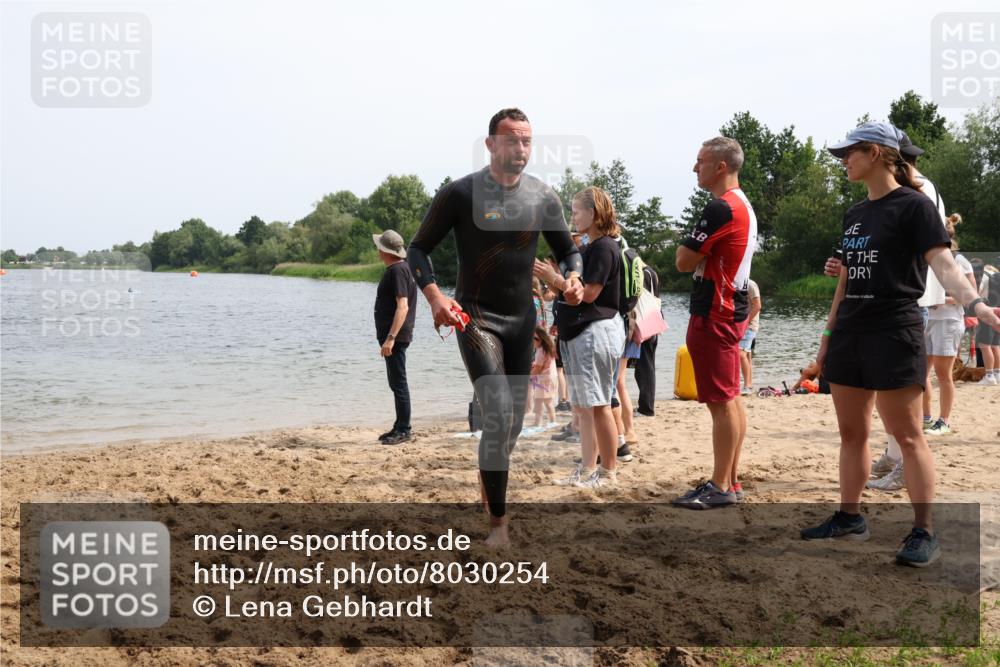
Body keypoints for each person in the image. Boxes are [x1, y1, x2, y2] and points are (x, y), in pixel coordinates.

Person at [800, 121, 1000, 567]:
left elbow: (944, 265)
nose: (843, 161)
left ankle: (924, 530)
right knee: (852, 434)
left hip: (895, 329)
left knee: (908, 437)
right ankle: (849, 517)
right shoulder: (854, 213)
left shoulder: (915, 206)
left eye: (848, 153)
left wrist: (977, 304)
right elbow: (847, 279)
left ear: (875, 152)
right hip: (852, 329)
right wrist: (827, 337)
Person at [407, 108, 584, 548]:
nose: (520, 149)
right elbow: (417, 249)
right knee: (499, 412)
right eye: (511, 140)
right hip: (475, 317)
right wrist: (434, 297)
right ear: (490, 144)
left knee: (515, 425)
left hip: (523, 319)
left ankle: (491, 472)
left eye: (526, 141)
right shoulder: (460, 194)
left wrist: (574, 278)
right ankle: (499, 528)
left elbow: (568, 251)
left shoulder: (544, 197)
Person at [672, 136, 757, 509]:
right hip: (731, 310)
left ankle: (721, 485)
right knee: (731, 398)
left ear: (720, 166)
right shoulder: (745, 206)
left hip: (715, 312)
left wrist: (690, 247)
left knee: (722, 403)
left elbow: (682, 261)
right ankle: (730, 480)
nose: (695, 167)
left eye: (700, 161)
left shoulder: (721, 208)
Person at [542, 186, 626, 489]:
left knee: (601, 404)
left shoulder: (604, 247)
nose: (572, 216)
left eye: (576, 211)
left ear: (593, 213)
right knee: (584, 407)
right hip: (579, 334)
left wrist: (552, 278)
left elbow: (589, 295)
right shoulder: (589, 248)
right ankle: (589, 468)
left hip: (596, 333)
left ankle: (608, 472)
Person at [920, 214, 977, 435]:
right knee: (920, 373)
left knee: (943, 375)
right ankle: (925, 418)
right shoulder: (926, 257)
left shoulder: (959, 261)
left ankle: (943, 421)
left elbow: (968, 294)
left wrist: (940, 300)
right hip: (927, 319)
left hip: (949, 320)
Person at [372, 230, 418, 445]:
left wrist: (390, 338)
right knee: (396, 382)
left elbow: (403, 306)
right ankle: (400, 425)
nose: (378, 250)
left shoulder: (398, 271)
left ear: (385, 251)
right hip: (396, 335)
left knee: (398, 383)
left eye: (380, 247)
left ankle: (404, 429)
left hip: (396, 337)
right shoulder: (401, 268)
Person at [634, 264, 660, 417]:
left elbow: (639, 297)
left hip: (645, 324)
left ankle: (646, 408)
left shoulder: (644, 274)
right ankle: (645, 405)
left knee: (645, 367)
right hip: (653, 321)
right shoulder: (652, 272)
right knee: (644, 367)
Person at [528, 327, 558, 427]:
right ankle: (553, 421)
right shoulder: (549, 348)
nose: (532, 344)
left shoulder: (540, 351)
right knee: (548, 401)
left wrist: (530, 375)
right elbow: (544, 364)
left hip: (543, 379)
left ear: (538, 340)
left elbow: (538, 369)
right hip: (552, 377)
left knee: (538, 402)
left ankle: (538, 423)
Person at [976, 263, 1000, 385]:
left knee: (985, 346)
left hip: (987, 312)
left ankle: (989, 375)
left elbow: (977, 294)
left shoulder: (984, 276)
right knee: (995, 345)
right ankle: (997, 374)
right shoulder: (997, 277)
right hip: (998, 312)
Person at [739, 278, 762, 396]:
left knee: (740, 354)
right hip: (740, 324)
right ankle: (749, 384)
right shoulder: (735, 283)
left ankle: (747, 386)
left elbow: (757, 306)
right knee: (747, 355)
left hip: (749, 326)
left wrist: (746, 322)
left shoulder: (750, 284)